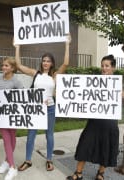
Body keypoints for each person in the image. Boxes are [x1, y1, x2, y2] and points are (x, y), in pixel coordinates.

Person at [14, 34, 71, 171]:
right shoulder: (36, 74)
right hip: (35, 109)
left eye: (48, 61)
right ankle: (28, 160)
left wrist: (67, 44)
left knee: (49, 135)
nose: (45, 63)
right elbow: (19, 66)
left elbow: (66, 64)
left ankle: (49, 159)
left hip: (50, 109)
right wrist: (17, 47)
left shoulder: (54, 75)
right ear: (41, 62)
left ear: (52, 63)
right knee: (31, 135)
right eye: (44, 60)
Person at [66, 55, 124, 180]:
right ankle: (78, 173)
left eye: (107, 66)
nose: (104, 68)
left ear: (113, 68)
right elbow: (81, 95)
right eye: (102, 65)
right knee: (85, 145)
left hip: (110, 123)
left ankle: (100, 173)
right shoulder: (94, 82)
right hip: (94, 121)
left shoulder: (118, 84)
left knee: (106, 148)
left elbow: (122, 102)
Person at [0, 57, 23, 180]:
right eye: (3, 65)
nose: (3, 67)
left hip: (13, 116)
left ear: (13, 68)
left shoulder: (16, 82)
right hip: (1, 115)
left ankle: (6, 160)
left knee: (12, 139)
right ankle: (12, 167)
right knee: (6, 139)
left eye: (6, 66)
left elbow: (24, 98)